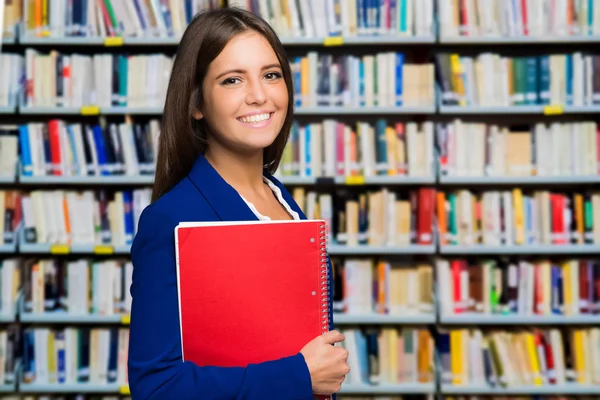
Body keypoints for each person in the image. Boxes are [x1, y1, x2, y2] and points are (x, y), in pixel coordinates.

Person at [127, 7, 350, 400]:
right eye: (233, 80)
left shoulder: (283, 203)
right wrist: (299, 376)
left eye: (271, 74)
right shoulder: (171, 222)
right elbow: (156, 388)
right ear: (196, 104)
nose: (259, 95)